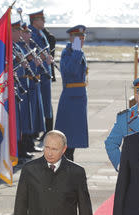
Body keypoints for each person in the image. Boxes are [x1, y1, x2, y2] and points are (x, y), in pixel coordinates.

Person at [54, 25, 89, 161]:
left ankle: (69, 162)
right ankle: (66, 162)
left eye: (82, 38)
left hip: (79, 97)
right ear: (71, 38)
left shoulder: (78, 52)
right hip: (71, 97)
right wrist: (76, 52)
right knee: (68, 134)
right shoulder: (68, 52)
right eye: (78, 38)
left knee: (75, 135)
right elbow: (71, 71)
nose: (81, 41)